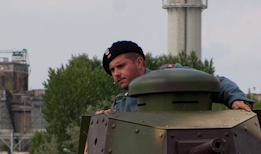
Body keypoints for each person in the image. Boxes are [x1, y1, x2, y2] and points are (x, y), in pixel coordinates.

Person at [101, 41, 253, 113]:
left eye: (120, 66)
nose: (116, 74)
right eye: (112, 70)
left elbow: (216, 82)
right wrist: (103, 120)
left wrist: (235, 99)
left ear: (139, 62)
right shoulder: (121, 105)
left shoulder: (170, 78)